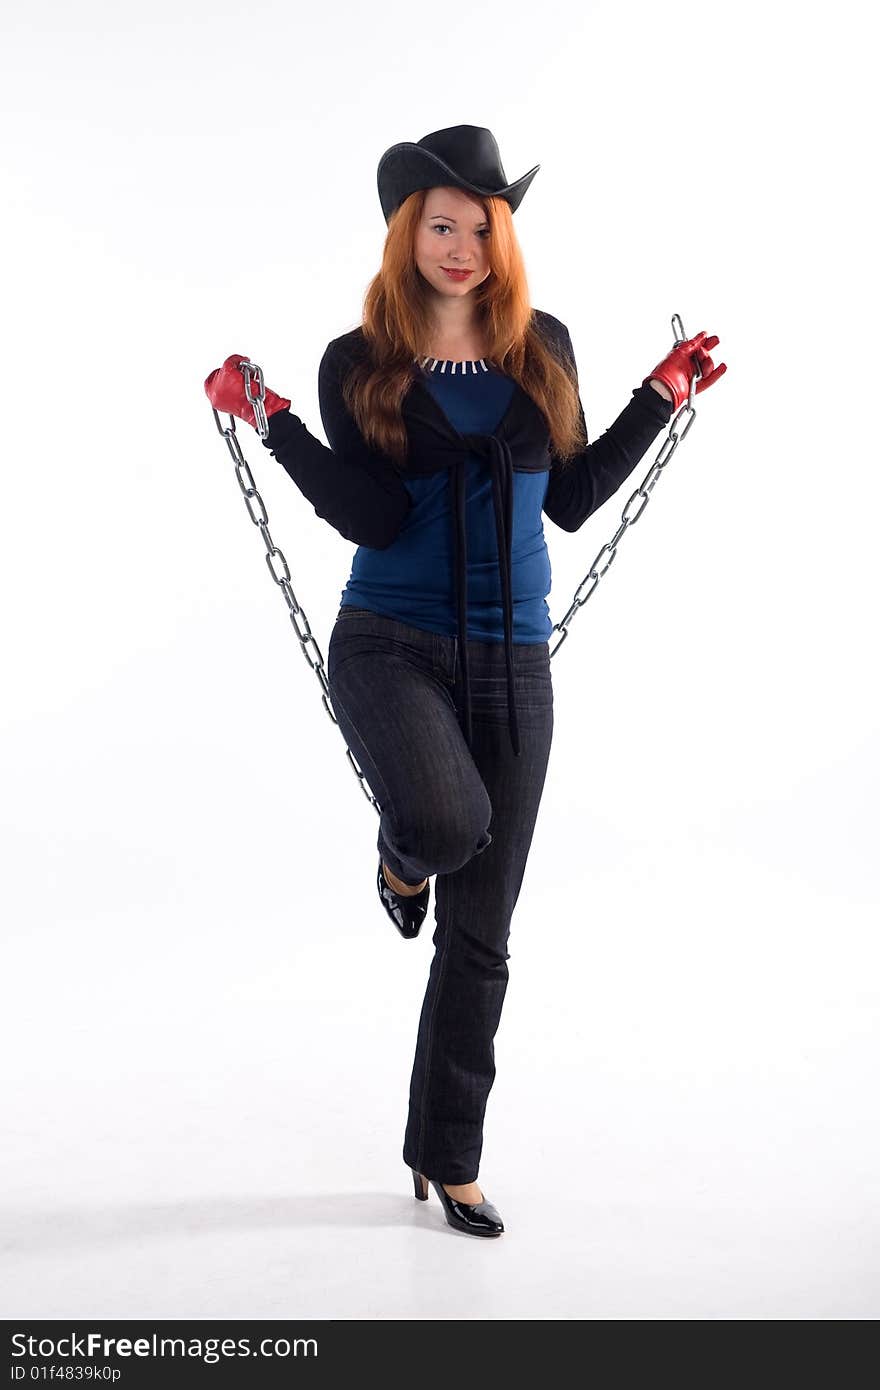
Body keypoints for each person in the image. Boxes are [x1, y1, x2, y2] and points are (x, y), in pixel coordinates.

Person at [204, 124, 726, 1238]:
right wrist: (278, 426)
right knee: (445, 823)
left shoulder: (546, 344)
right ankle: (402, 860)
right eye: (441, 223)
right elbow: (373, 513)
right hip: (391, 642)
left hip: (513, 660)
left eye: (481, 225)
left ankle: (450, 1159)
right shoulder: (360, 360)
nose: (462, 245)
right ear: (407, 234)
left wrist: (659, 395)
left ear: (502, 235)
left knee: (483, 934)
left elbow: (571, 499)